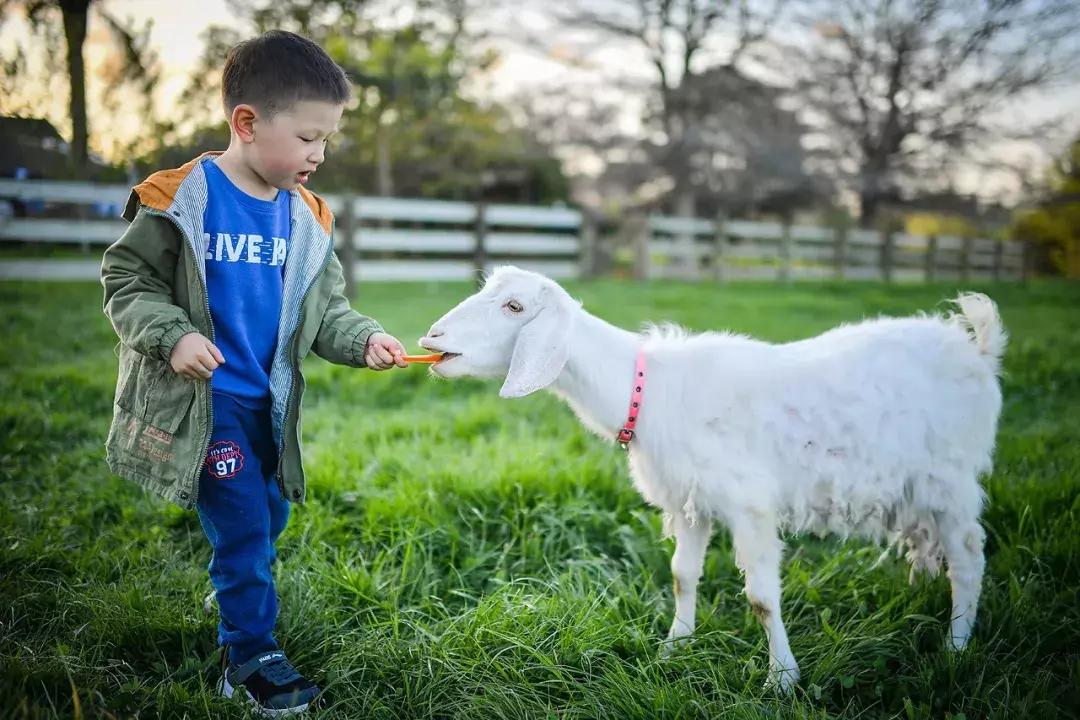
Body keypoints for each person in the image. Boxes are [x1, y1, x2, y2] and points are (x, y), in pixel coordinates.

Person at [100, 30, 408, 716]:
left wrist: (366, 341)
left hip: (270, 406)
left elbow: (327, 312)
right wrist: (172, 334)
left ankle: (238, 583)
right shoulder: (182, 200)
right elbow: (127, 279)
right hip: (207, 408)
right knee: (243, 527)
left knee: (269, 514)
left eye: (327, 140)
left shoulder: (306, 221)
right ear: (247, 122)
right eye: (307, 137)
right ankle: (250, 655)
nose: (319, 155)